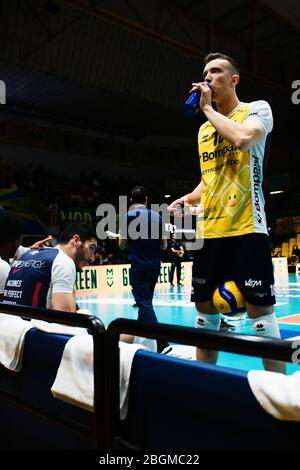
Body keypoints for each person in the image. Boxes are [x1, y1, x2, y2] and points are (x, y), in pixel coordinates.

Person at [168, 52, 284, 373]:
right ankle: (205, 382)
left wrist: (206, 108)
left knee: (261, 314)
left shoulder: (256, 111)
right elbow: (210, 178)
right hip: (210, 234)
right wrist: (186, 199)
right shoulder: (204, 132)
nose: (208, 77)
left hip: (248, 229)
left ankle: (279, 391)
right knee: (204, 311)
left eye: (215, 71)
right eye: (205, 72)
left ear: (233, 80)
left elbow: (242, 140)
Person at [118, 186, 169, 353]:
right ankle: (141, 340)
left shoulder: (128, 217)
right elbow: (164, 245)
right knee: (146, 304)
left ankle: (162, 343)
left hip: (138, 266)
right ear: (146, 200)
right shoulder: (157, 216)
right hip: (154, 266)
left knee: (144, 305)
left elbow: (122, 244)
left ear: (131, 201)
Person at [3, 222, 97, 312]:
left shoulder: (27, 254)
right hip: (31, 327)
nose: (92, 258)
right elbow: (66, 319)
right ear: (76, 240)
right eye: (91, 248)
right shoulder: (64, 261)